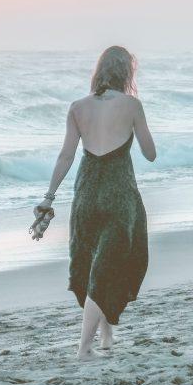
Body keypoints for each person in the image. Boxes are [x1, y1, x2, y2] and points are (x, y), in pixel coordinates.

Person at [36, 46, 156, 360]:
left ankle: (106, 334)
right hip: (118, 194)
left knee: (92, 265)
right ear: (126, 73)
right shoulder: (131, 105)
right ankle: (83, 348)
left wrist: (48, 198)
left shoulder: (77, 107)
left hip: (87, 193)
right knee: (109, 267)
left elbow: (65, 156)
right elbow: (150, 153)